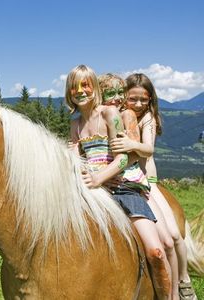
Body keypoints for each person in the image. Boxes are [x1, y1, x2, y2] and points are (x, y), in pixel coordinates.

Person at [66, 65, 171, 299]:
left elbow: (123, 159)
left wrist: (100, 178)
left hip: (122, 187)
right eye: (74, 86)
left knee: (155, 251)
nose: (80, 91)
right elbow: (76, 157)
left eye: (86, 85)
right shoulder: (75, 123)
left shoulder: (109, 114)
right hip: (93, 188)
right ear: (68, 91)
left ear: (95, 87)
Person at [106, 73, 197, 300]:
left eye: (143, 100)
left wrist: (130, 144)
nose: (137, 104)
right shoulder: (116, 114)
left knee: (173, 235)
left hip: (147, 181)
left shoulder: (147, 118)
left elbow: (148, 149)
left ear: (150, 100)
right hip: (129, 178)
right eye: (132, 98)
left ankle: (184, 280)